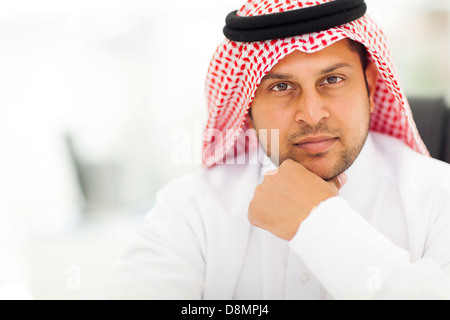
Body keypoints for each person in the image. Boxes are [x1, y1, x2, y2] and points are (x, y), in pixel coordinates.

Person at [110, 0, 450, 300]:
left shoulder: (439, 197)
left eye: (332, 80)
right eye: (281, 86)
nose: (312, 113)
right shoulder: (189, 211)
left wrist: (317, 222)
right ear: (247, 102)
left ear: (371, 84)